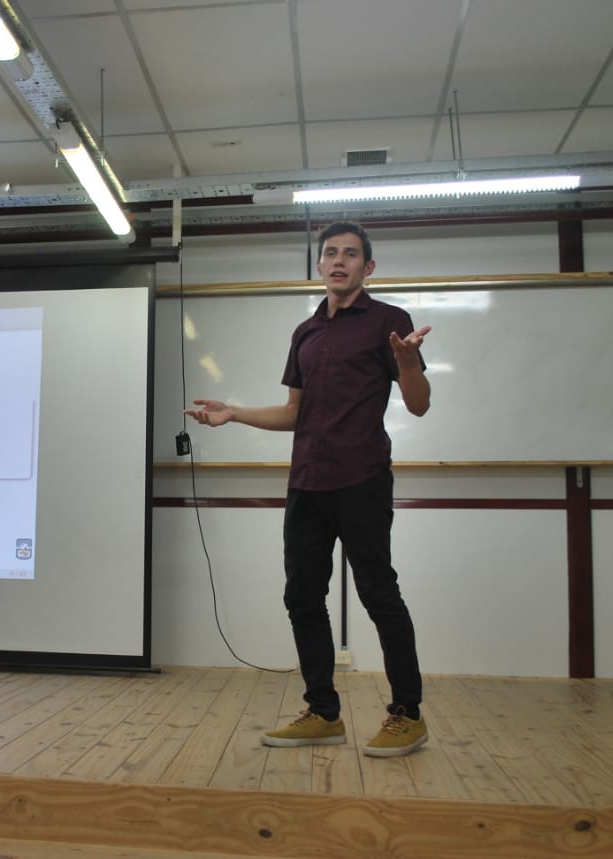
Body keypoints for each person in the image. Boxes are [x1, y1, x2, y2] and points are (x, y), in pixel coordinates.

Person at [184, 221, 432, 758]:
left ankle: (407, 714)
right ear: (319, 266)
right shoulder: (305, 333)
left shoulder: (390, 321)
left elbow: (418, 404)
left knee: (378, 595)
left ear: (368, 267)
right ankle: (323, 713)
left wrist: (409, 364)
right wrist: (234, 413)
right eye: (331, 253)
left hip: (363, 479)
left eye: (351, 254)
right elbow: (295, 414)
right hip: (307, 484)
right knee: (301, 597)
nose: (339, 261)